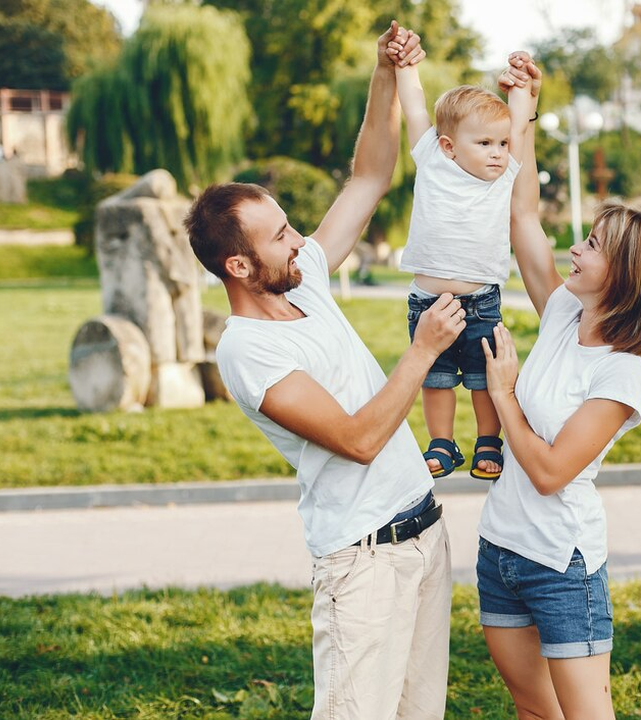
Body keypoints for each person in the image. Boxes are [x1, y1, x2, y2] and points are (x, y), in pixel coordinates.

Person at [185, 24, 462, 720]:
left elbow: (368, 174)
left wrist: (383, 74)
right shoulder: (248, 351)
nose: (297, 239)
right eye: (279, 235)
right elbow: (358, 438)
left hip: (424, 539)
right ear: (237, 267)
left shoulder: (301, 280)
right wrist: (422, 351)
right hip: (362, 567)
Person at [476, 54, 641, 719]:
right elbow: (522, 217)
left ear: (624, 276)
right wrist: (526, 109)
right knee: (533, 710)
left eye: (593, 245)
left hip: (561, 564)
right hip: (501, 549)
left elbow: (548, 472)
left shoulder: (621, 373)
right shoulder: (565, 312)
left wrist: (505, 393)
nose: (575, 248)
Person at [393, 50, 536, 480]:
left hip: (479, 303)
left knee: (481, 377)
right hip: (427, 303)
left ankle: (488, 441)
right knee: (434, 377)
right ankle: (442, 442)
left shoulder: (505, 174)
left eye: (502, 144)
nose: (498, 153)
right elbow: (415, 106)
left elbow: (518, 118)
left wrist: (523, 87)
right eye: (485, 143)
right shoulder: (432, 160)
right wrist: (406, 66)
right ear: (449, 147)